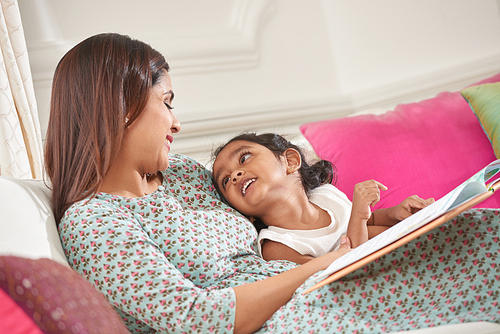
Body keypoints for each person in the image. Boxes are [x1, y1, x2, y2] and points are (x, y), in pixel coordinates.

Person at [45, 33, 500, 333]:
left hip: (318, 280)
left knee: (469, 233)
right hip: (283, 317)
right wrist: (322, 267)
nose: (176, 122)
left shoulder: (180, 174)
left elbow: (276, 206)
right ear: (122, 107)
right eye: (166, 102)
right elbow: (195, 316)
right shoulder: (96, 223)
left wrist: (379, 225)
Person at [211, 132, 434, 264]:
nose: (235, 174)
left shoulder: (326, 195)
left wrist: (396, 213)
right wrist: (357, 217)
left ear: (290, 161)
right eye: (225, 180)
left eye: (245, 157)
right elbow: (339, 271)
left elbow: (371, 220)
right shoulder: (277, 245)